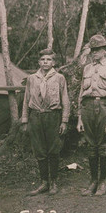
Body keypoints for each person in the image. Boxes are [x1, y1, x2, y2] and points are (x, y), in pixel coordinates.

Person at [21, 49, 70, 195]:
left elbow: (65, 100)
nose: (45, 62)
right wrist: (25, 119)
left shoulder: (60, 78)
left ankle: (54, 181)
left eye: (48, 60)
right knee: (39, 150)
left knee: (53, 150)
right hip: (36, 116)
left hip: (52, 116)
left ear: (53, 62)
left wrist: (64, 121)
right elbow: (26, 99)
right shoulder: (32, 78)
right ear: (38, 62)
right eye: (42, 59)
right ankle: (44, 182)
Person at [77, 35, 106, 196]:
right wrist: (80, 117)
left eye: (97, 50)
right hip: (88, 108)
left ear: (104, 51)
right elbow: (81, 94)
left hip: (104, 107)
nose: (94, 53)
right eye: (92, 50)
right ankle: (93, 181)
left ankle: (102, 182)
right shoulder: (87, 69)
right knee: (91, 146)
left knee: (103, 145)